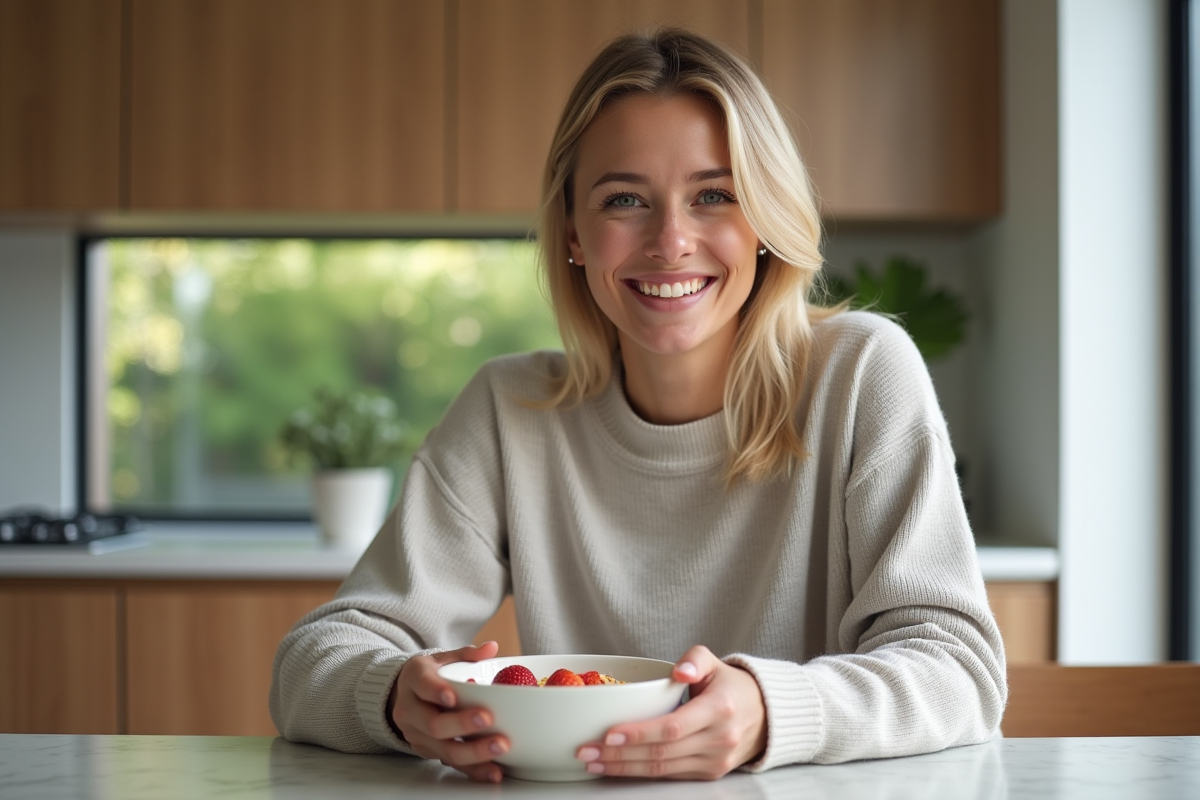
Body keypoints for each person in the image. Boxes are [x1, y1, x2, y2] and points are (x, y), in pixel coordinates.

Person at [269, 28, 1006, 783]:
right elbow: (312, 661)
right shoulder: (509, 410)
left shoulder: (861, 373)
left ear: (765, 224)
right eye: (624, 199)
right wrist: (393, 696)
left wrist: (767, 709)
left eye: (714, 195)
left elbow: (961, 674)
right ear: (574, 236)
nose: (670, 241)